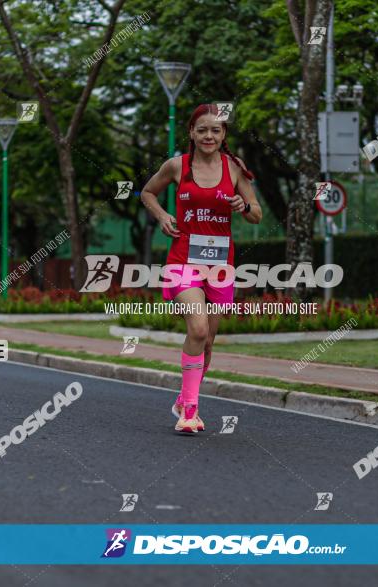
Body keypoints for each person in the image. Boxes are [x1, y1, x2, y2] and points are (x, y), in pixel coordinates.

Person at [140, 103, 262, 434]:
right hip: (183, 261)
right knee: (197, 330)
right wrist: (163, 216)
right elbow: (148, 193)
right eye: (203, 130)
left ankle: (184, 398)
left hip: (221, 266)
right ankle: (189, 413)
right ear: (192, 133)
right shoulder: (176, 166)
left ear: (224, 136)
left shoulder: (235, 168)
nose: (209, 135)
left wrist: (244, 204)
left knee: (207, 343)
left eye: (216, 130)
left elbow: (257, 214)